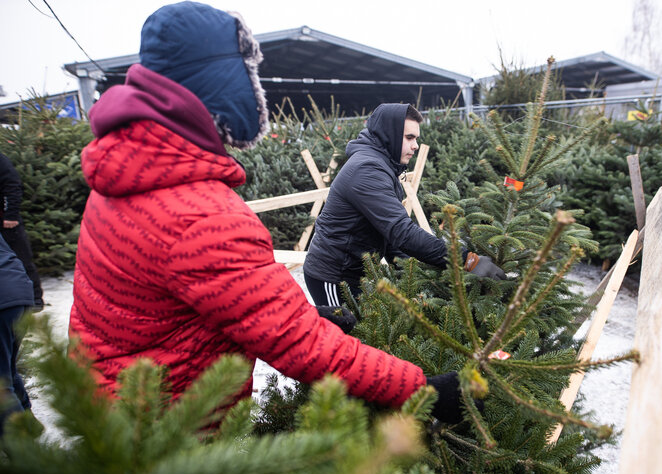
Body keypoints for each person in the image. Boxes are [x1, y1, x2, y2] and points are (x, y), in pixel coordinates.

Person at [69, 1, 467, 424]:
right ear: (226, 87)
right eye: (249, 75)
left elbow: (184, 302)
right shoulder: (202, 216)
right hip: (166, 432)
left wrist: (296, 313)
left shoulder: (126, 174)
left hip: (111, 407)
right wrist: (422, 390)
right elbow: (298, 344)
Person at [303, 103, 506, 306]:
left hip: (357, 274)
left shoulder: (383, 165)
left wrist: (410, 274)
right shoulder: (367, 170)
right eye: (409, 137)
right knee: (344, 332)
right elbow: (402, 232)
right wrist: (466, 260)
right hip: (333, 277)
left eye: (416, 138)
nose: (415, 145)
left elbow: (387, 233)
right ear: (388, 134)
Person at [0, 151, 43, 309]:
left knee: (21, 258)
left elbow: (12, 186)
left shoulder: (1, 161)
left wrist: (10, 215)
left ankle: (35, 299)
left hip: (7, 222)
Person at [0, 237, 34, 436]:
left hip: (3, 299)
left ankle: (27, 457)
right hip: (19, 289)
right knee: (8, 371)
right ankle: (29, 426)